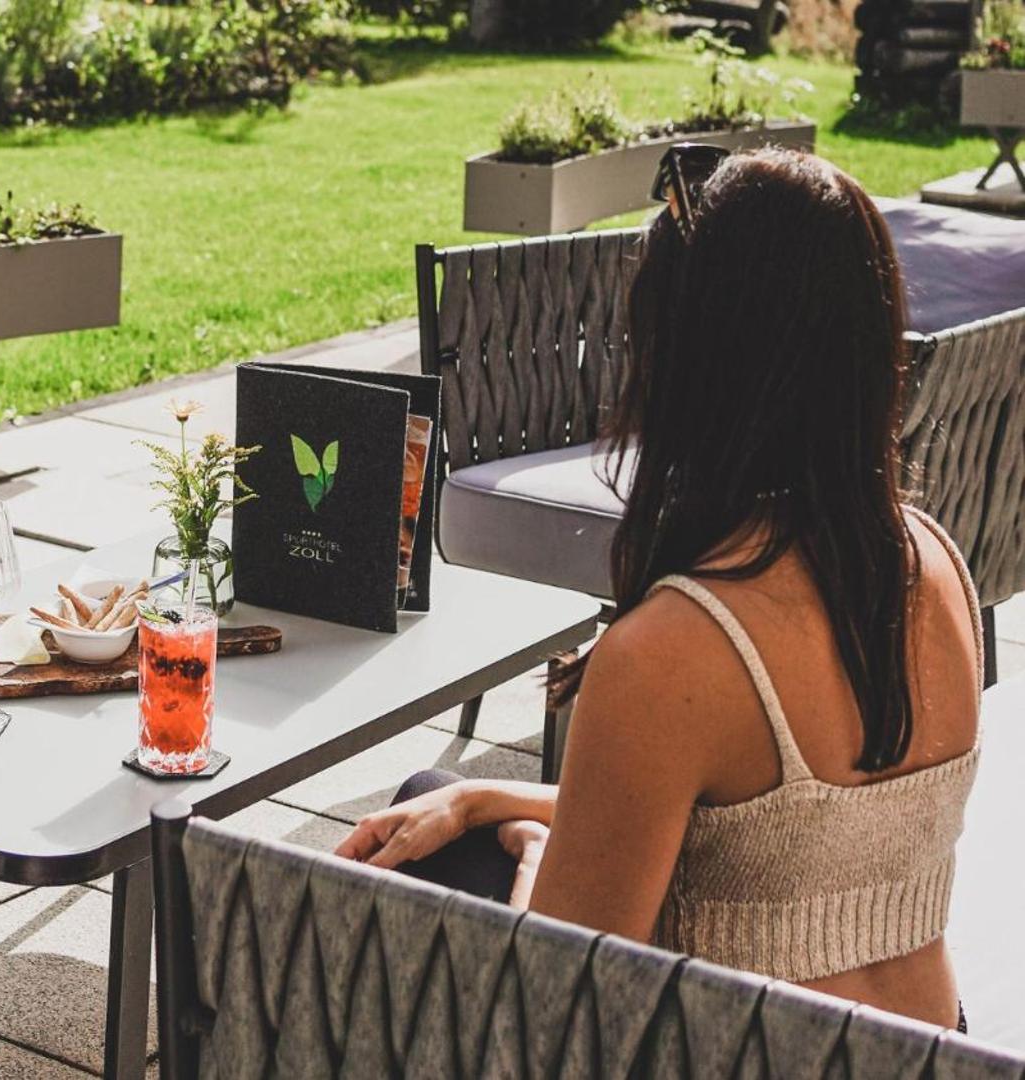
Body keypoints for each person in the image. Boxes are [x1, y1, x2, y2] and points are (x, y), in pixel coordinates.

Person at [336, 147, 981, 1030]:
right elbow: (787, 843)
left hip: (743, 1054)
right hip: (931, 1045)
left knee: (405, 895)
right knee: (433, 794)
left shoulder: (676, 650)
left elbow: (560, 1008)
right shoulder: (931, 562)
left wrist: (534, 854)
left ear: (684, 360)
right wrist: (489, 797)